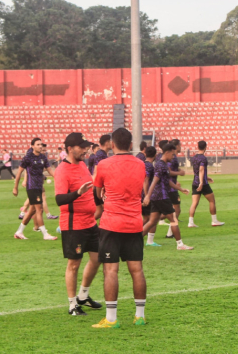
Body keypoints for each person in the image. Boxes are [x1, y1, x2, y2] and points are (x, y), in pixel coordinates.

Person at [92, 128, 147, 328]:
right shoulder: (140, 164)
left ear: (112, 144)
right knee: (137, 270)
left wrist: (106, 192)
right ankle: (140, 316)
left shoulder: (104, 164)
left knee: (110, 271)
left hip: (111, 223)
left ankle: (112, 318)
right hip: (134, 222)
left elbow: (98, 193)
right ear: (131, 145)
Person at [55, 133, 103, 316]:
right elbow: (59, 199)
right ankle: (72, 304)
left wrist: (100, 200)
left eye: (85, 147)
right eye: (81, 147)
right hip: (73, 223)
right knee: (74, 264)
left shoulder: (83, 165)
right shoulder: (62, 170)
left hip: (90, 221)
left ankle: (83, 295)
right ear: (69, 149)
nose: (85, 150)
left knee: (98, 257)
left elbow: (89, 190)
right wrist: (77, 193)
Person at [142, 143, 193, 249]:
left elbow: (167, 181)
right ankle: (180, 244)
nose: (173, 157)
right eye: (173, 154)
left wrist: (180, 189)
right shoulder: (160, 165)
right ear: (167, 152)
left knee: (152, 221)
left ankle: (134, 241)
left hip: (157, 197)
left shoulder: (163, 164)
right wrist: (147, 196)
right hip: (161, 196)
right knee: (174, 220)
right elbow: (154, 181)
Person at [13, 138, 57, 240]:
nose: (40, 146)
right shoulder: (28, 158)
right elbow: (19, 172)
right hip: (32, 186)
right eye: (38, 144)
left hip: (39, 186)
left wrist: (58, 179)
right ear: (32, 146)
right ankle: (45, 234)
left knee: (32, 210)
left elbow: (50, 170)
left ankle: (19, 232)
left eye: (41, 144)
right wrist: (15, 188)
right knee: (39, 209)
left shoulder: (43, 157)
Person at [188, 141, 224, 228]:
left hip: (195, 182)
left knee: (194, 203)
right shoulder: (203, 158)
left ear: (198, 147)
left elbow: (196, 171)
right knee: (212, 201)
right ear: (205, 147)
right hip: (202, 184)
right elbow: (201, 170)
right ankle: (214, 220)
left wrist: (207, 177)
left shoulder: (194, 157)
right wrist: (202, 182)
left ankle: (190, 222)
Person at [93, 134, 112, 221]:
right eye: (111, 141)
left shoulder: (102, 154)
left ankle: (85, 226)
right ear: (107, 143)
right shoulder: (101, 154)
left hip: (98, 185)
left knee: (99, 212)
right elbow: (98, 170)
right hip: (99, 186)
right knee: (108, 211)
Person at [141, 146, 156, 226]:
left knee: (147, 218)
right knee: (151, 218)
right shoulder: (149, 166)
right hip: (145, 195)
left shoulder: (142, 164)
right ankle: (137, 234)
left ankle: (137, 233)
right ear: (155, 155)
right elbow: (146, 180)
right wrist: (146, 195)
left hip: (139, 193)